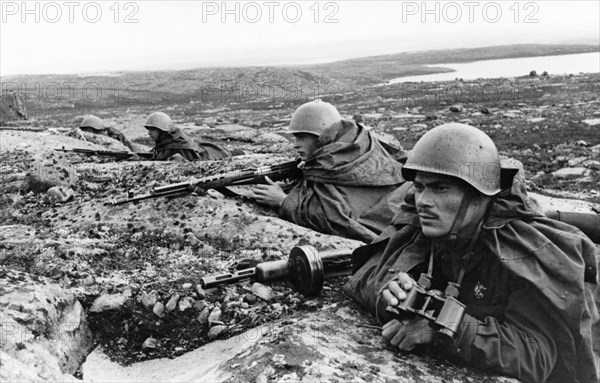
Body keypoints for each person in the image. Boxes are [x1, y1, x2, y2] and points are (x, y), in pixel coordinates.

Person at [344, 123, 599, 383]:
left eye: (441, 188)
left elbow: (536, 357)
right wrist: (393, 295)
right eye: (419, 187)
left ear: (480, 196)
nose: (423, 201)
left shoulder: (517, 252)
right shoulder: (424, 228)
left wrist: (441, 331)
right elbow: (363, 275)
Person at [252, 101, 407, 243]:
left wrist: (283, 201)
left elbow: (336, 221)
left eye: (302, 138)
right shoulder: (354, 144)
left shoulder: (335, 162)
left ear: (323, 137)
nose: (295, 145)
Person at [143, 112, 234, 162]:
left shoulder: (175, 146)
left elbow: (157, 163)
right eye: (149, 130)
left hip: (216, 155)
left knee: (234, 153)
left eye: (152, 130)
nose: (149, 133)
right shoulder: (166, 142)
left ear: (162, 130)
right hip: (211, 151)